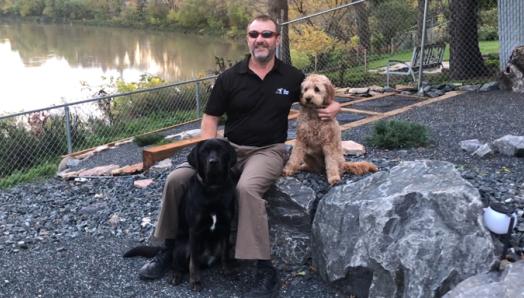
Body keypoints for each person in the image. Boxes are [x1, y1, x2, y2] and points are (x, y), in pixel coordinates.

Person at [139, 15, 341, 297]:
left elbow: (321, 91)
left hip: (268, 150)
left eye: (267, 34)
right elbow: (210, 120)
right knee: (177, 179)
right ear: (248, 39)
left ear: (277, 40)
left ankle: (262, 268)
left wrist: (335, 107)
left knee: (246, 189)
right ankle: (169, 250)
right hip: (229, 149)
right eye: (255, 34)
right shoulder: (229, 77)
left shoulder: (291, 76)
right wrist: (207, 155)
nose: (260, 39)